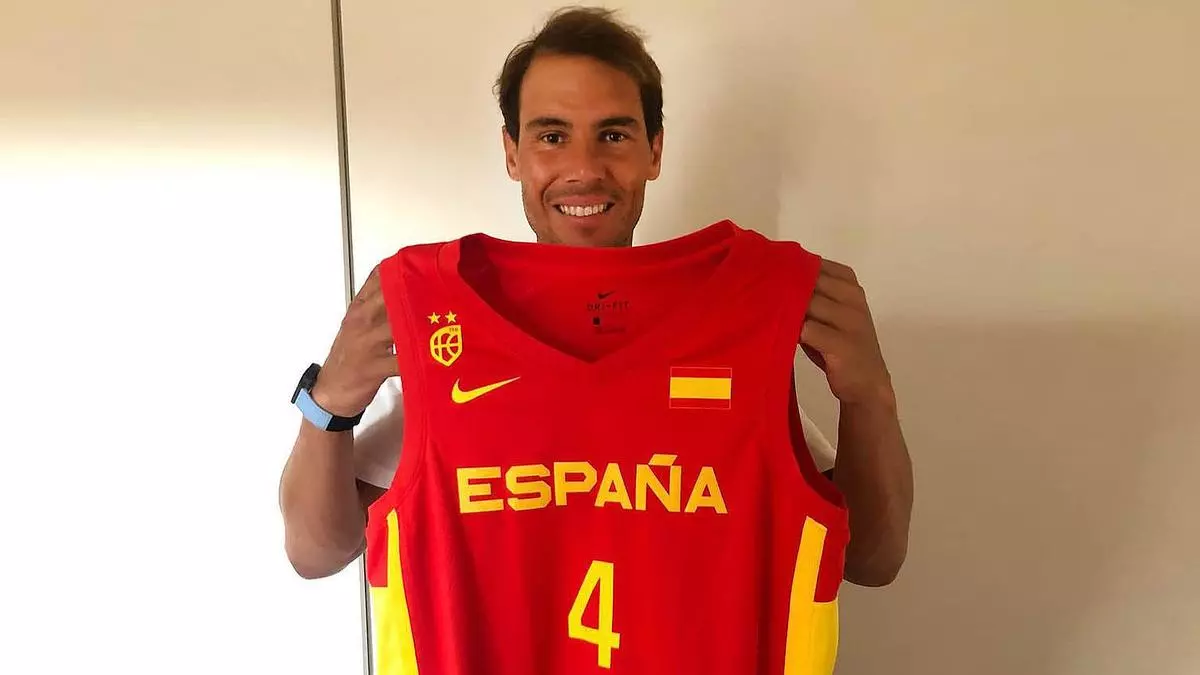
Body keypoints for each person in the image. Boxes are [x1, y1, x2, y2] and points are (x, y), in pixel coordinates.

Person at [280, 0, 911, 633]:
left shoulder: (736, 332)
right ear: (512, 153)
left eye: (613, 135)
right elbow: (316, 552)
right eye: (552, 136)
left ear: (654, 151)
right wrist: (330, 403)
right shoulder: (441, 335)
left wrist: (870, 399)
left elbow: (870, 558)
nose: (584, 169)